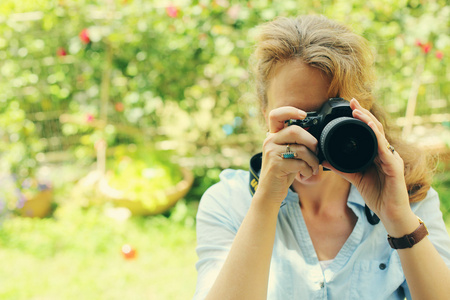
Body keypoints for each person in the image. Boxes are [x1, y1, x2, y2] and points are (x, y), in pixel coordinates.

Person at [193, 15, 450, 299]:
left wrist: (399, 219)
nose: (312, 139)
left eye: (330, 120)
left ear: (363, 114)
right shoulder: (230, 203)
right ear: (265, 114)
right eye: (299, 120)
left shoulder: (408, 195)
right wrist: (266, 201)